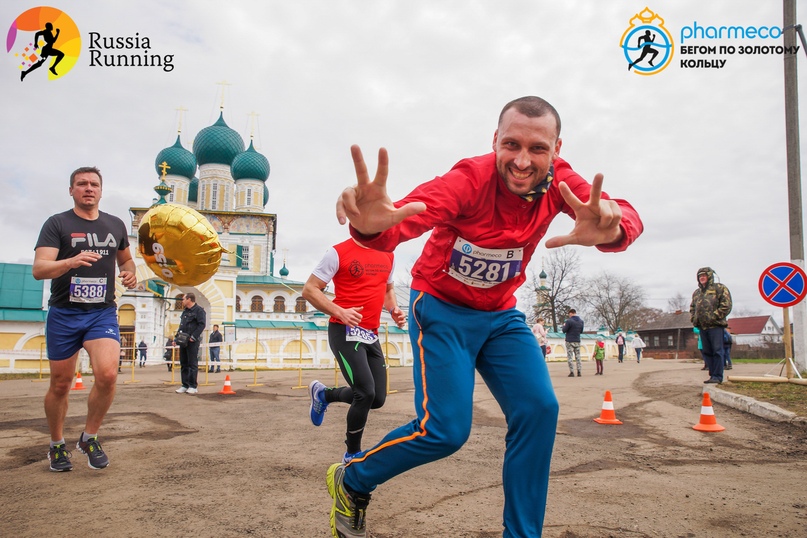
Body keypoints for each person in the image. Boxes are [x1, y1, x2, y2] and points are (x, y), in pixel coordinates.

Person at [327, 96, 643, 538]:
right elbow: (407, 216)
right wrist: (372, 225)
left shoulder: (561, 183)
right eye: (511, 145)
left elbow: (621, 212)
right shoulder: (468, 180)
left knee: (539, 409)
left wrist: (616, 225)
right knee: (444, 431)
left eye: (538, 148)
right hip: (441, 308)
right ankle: (354, 479)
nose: (522, 161)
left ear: (556, 150)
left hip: (499, 315)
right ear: (495, 140)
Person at [32, 166, 137, 472]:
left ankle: (89, 438)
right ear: (71, 190)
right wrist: (70, 262)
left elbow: (126, 260)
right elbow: (39, 268)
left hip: (101, 312)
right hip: (64, 313)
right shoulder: (57, 223)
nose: (88, 188)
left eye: (94, 184)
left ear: (101, 191)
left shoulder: (115, 225)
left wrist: (129, 273)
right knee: (61, 384)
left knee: (108, 374)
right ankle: (56, 445)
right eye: (81, 184)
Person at [303, 238, 406, 464]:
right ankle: (352, 454)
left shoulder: (388, 254)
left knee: (377, 398)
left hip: (370, 334)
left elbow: (388, 290)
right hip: (344, 331)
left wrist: (394, 309)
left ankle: (324, 394)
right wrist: (339, 311)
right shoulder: (338, 252)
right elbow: (309, 289)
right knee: (365, 393)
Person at [690, 267, 732, 384]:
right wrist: (694, 318)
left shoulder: (719, 288)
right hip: (703, 327)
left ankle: (718, 376)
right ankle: (712, 375)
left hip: (715, 326)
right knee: (707, 351)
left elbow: (726, 305)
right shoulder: (697, 293)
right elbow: (692, 307)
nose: (702, 278)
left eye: (704, 275)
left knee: (717, 351)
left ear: (709, 276)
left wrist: (714, 316)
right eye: (700, 276)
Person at [175, 293, 206, 394]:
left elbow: (202, 325)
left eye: (183, 299)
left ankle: (193, 386)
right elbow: (182, 326)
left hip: (192, 341)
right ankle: (185, 385)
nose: (182, 301)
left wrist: (194, 336)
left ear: (189, 299)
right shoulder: (185, 311)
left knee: (192, 363)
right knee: (184, 363)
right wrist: (176, 338)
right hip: (183, 340)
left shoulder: (199, 310)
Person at [562, 308, 585, 377]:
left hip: (569, 340)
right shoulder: (581, 321)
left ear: (571, 313)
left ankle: (572, 372)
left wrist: (564, 326)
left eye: (569, 314)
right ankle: (579, 371)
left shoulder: (569, 321)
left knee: (570, 357)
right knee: (578, 356)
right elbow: (581, 331)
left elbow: (564, 330)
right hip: (577, 340)